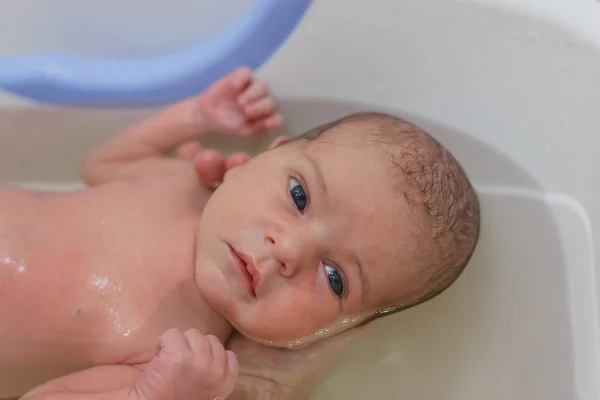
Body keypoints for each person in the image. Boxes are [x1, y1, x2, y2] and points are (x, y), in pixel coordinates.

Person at [0, 67, 479, 400]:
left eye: (335, 279)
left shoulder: (176, 354)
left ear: (339, 329)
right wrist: (193, 116)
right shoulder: (180, 182)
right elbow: (104, 164)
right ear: (259, 158)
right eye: (298, 195)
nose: (288, 248)